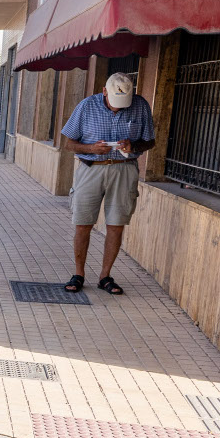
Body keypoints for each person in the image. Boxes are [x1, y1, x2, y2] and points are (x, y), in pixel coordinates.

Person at [60, 71, 156, 295]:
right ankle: (78, 273)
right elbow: (69, 144)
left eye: (123, 103)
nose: (118, 107)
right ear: (104, 91)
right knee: (83, 223)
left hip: (124, 170)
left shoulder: (140, 106)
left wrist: (133, 146)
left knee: (116, 225)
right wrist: (92, 148)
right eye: (114, 102)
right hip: (91, 168)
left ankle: (105, 276)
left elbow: (149, 141)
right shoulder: (86, 106)